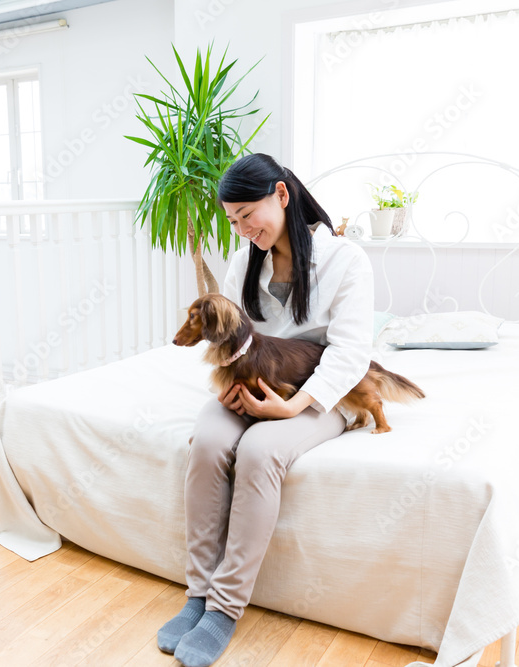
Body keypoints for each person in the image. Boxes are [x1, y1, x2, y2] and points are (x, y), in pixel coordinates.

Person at [157, 153, 375, 667]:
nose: (241, 230)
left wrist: (293, 406)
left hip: (317, 389)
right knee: (208, 442)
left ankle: (224, 610)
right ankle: (197, 595)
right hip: (251, 382)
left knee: (258, 453)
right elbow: (232, 335)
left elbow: (349, 353)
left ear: (281, 194)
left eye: (246, 214)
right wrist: (238, 392)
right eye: (231, 221)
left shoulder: (347, 260)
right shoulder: (245, 261)